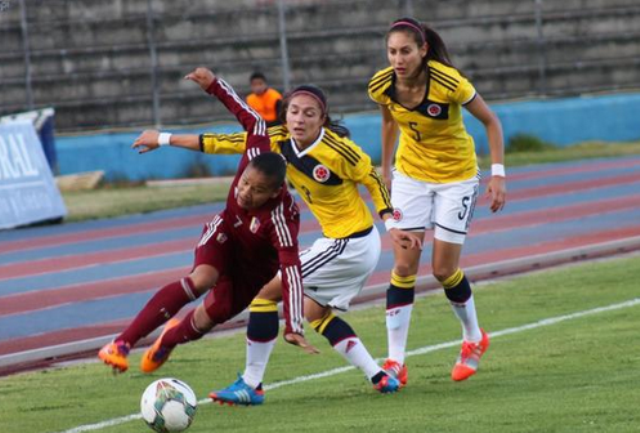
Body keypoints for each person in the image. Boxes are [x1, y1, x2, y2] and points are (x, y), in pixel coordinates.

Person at [143, 74, 421, 403]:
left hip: (350, 243)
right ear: (285, 113)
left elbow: (373, 178)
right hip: (342, 244)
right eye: (294, 111)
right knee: (315, 312)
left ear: (322, 118)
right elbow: (225, 142)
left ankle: (251, 384)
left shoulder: (338, 151)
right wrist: (163, 138)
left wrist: (390, 223)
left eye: (309, 113)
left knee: (263, 292)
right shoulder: (276, 139)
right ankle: (379, 377)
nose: (299, 119)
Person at [98, 69, 313, 378]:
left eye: (256, 190)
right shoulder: (256, 146)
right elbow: (250, 116)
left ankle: (169, 338)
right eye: (244, 182)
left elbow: (291, 270)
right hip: (225, 232)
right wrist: (214, 85)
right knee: (200, 280)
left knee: (206, 319)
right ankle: (121, 344)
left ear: (275, 191)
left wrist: (293, 325)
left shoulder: (281, 219)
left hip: (252, 272)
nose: (245, 192)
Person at [368, 18, 507, 386]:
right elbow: (388, 124)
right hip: (410, 177)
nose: (398, 59)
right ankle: (395, 361)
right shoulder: (381, 85)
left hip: (456, 179)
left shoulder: (448, 82)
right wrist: (385, 170)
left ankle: (474, 338)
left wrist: (497, 174)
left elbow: (491, 122)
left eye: (405, 51)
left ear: (423, 50)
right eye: (392, 51)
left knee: (444, 270)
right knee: (402, 267)